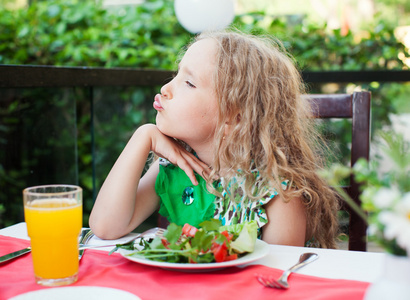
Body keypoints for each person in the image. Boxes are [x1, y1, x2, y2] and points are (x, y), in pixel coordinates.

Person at [89, 30, 339, 248]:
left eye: (188, 83)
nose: (166, 88)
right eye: (176, 74)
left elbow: (277, 279)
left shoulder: (276, 192)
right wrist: (142, 137)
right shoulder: (175, 167)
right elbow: (105, 227)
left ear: (235, 117)